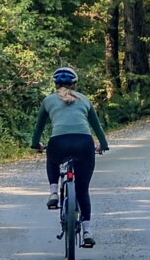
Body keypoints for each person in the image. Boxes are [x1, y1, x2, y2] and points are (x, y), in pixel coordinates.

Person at [31, 66, 109, 247]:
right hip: (84, 143)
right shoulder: (84, 99)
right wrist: (102, 145)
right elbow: (96, 126)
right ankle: (87, 231)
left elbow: (38, 127)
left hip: (59, 142)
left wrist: (36, 144)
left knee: (52, 160)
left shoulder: (48, 100)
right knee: (82, 190)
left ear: (55, 84)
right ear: (74, 84)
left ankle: (53, 193)